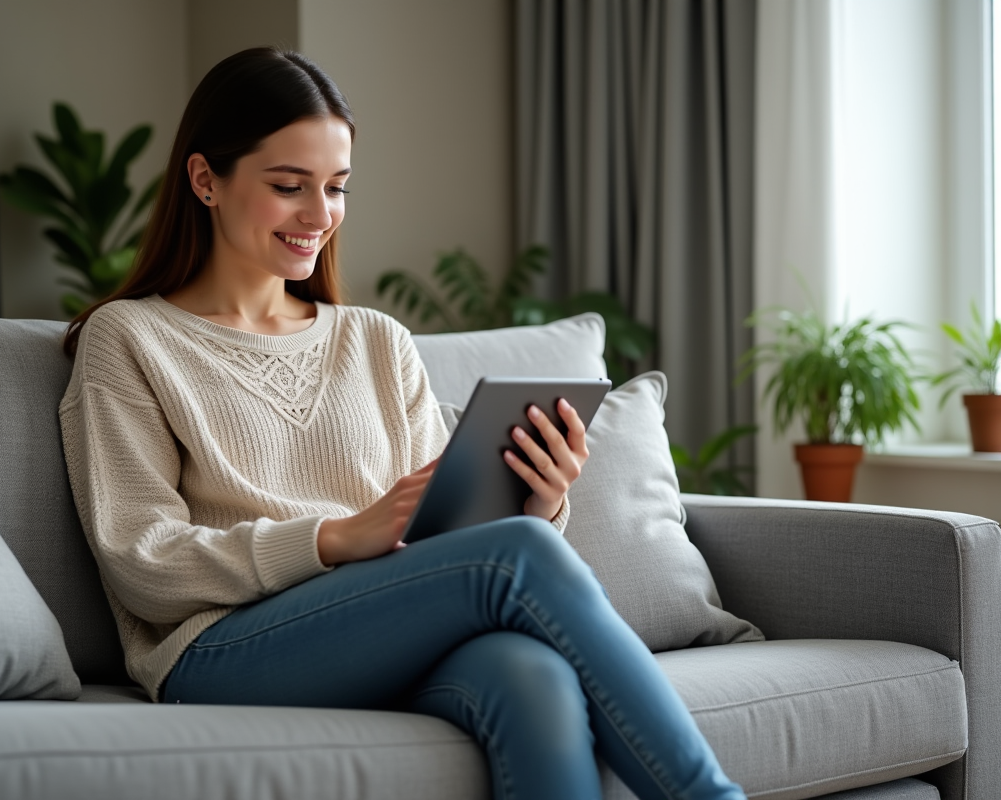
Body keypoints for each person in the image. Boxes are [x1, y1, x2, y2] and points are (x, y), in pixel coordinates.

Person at [58, 46, 746, 800]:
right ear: (205, 180)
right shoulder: (129, 338)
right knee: (513, 557)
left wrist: (540, 502)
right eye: (289, 186)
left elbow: (446, 535)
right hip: (219, 649)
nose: (319, 216)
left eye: (336, 188)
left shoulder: (375, 340)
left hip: (376, 627)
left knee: (533, 673)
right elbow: (142, 560)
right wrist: (333, 538)